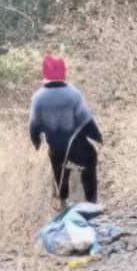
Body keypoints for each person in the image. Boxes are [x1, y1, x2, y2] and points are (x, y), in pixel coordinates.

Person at [29, 56, 104, 208]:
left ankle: (63, 200)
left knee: (59, 169)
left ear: (45, 74)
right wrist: (98, 137)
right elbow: (87, 120)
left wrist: (36, 142)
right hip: (78, 146)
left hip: (56, 148)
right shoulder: (73, 93)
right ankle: (91, 201)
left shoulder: (38, 97)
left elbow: (34, 126)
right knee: (90, 159)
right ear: (64, 72)